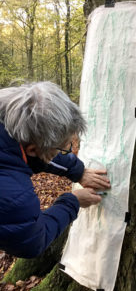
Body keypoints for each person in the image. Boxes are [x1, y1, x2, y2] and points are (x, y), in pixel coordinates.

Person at [0, 81, 111, 258]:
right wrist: (72, 202)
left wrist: (78, 171)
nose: (64, 152)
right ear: (32, 149)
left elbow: (36, 153)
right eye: (62, 149)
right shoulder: (12, 194)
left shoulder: (11, 119)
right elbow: (31, 242)